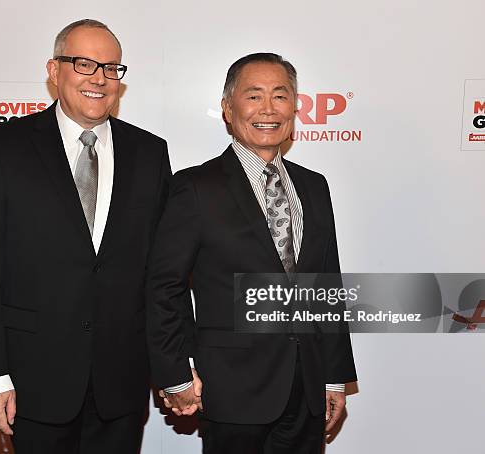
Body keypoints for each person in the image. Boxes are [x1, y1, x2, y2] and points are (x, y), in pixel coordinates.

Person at [0, 19, 172, 453]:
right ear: (54, 71)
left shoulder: (150, 153)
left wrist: (172, 368)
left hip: (122, 383)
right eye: (84, 64)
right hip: (32, 381)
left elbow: (161, 272)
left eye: (111, 68)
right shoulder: (4, 146)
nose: (99, 78)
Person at [146, 53, 357, 453]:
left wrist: (333, 376)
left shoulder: (315, 187)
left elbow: (327, 284)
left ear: (295, 107)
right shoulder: (194, 187)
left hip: (307, 389)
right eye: (254, 96)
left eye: (280, 96)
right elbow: (164, 287)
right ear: (228, 109)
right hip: (231, 388)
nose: (268, 109)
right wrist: (175, 373)